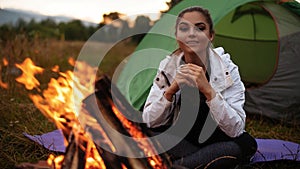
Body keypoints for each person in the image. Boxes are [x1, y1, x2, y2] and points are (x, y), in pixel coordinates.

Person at [142, 6, 257, 169]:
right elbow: (150, 121)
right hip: (182, 142)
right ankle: (199, 163)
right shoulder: (168, 67)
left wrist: (208, 91)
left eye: (200, 28)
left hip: (218, 141)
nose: (191, 33)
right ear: (177, 36)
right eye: (184, 28)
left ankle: (172, 165)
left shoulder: (227, 69)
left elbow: (236, 128)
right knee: (142, 135)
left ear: (210, 35)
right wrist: (171, 90)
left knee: (246, 144)